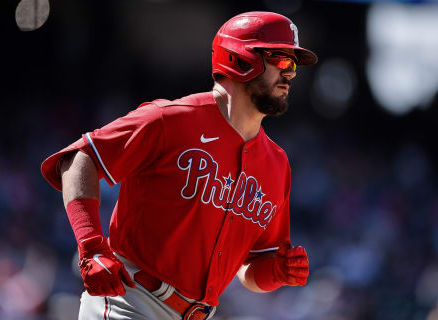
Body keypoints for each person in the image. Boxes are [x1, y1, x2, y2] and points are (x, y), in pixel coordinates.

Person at [41, 11, 318, 320]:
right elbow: (80, 160)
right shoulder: (170, 120)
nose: (291, 74)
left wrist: (277, 271)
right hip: (131, 301)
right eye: (282, 61)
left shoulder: (277, 164)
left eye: (294, 65)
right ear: (241, 59)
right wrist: (91, 247)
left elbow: (250, 270)